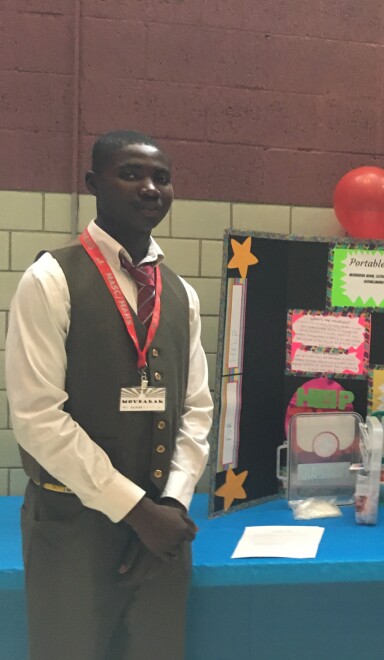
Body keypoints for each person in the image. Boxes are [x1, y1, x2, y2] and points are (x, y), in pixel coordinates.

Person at [6, 130, 213, 660]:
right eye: (131, 174)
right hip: (74, 528)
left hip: (163, 530)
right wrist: (135, 511)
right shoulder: (50, 277)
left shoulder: (181, 292)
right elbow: (38, 419)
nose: (150, 188)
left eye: (161, 178)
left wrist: (170, 506)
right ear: (94, 183)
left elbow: (196, 409)